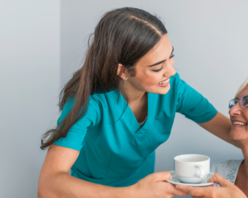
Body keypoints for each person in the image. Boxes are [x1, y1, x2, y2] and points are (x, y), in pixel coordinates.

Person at [37, 7, 236, 198]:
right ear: (123, 71)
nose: (171, 71)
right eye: (158, 67)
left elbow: (230, 131)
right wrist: (132, 194)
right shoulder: (89, 103)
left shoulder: (173, 88)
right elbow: (48, 187)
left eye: (170, 57)